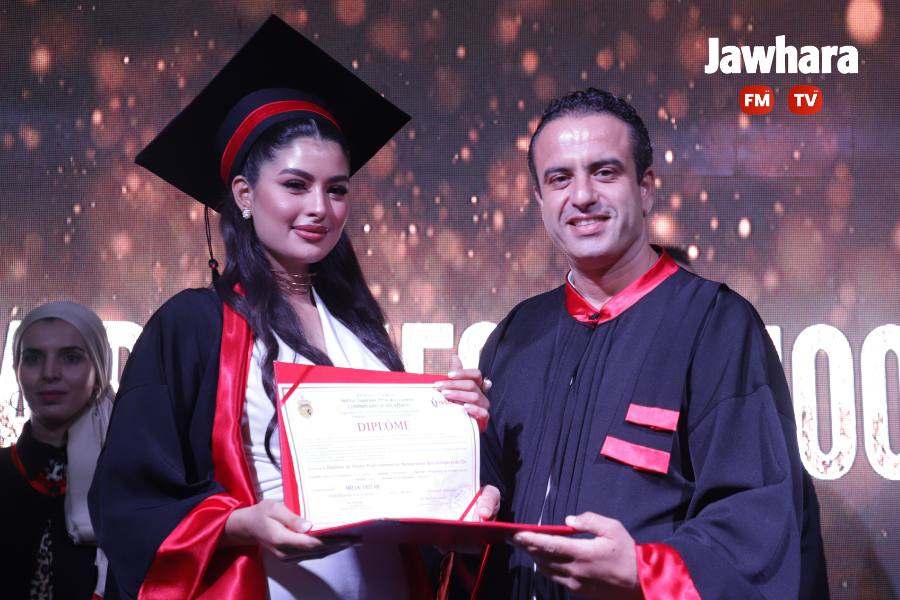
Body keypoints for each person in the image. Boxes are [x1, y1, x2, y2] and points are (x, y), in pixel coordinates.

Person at [87, 16, 493, 600]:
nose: (320, 207)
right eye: (296, 185)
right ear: (245, 195)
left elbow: (401, 498)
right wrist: (238, 523)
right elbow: (129, 500)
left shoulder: (361, 331)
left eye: (337, 188)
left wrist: (456, 438)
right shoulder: (193, 325)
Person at [474, 88, 811, 599]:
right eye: (559, 178)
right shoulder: (515, 336)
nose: (582, 196)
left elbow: (754, 517)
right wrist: (458, 449)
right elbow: (482, 513)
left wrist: (643, 572)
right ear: (540, 200)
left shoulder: (716, 324)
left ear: (646, 187)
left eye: (604, 172)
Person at [0, 301, 114, 599]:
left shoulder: (127, 478)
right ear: (16, 371)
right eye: (34, 358)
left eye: (70, 357)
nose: (50, 373)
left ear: (99, 370)